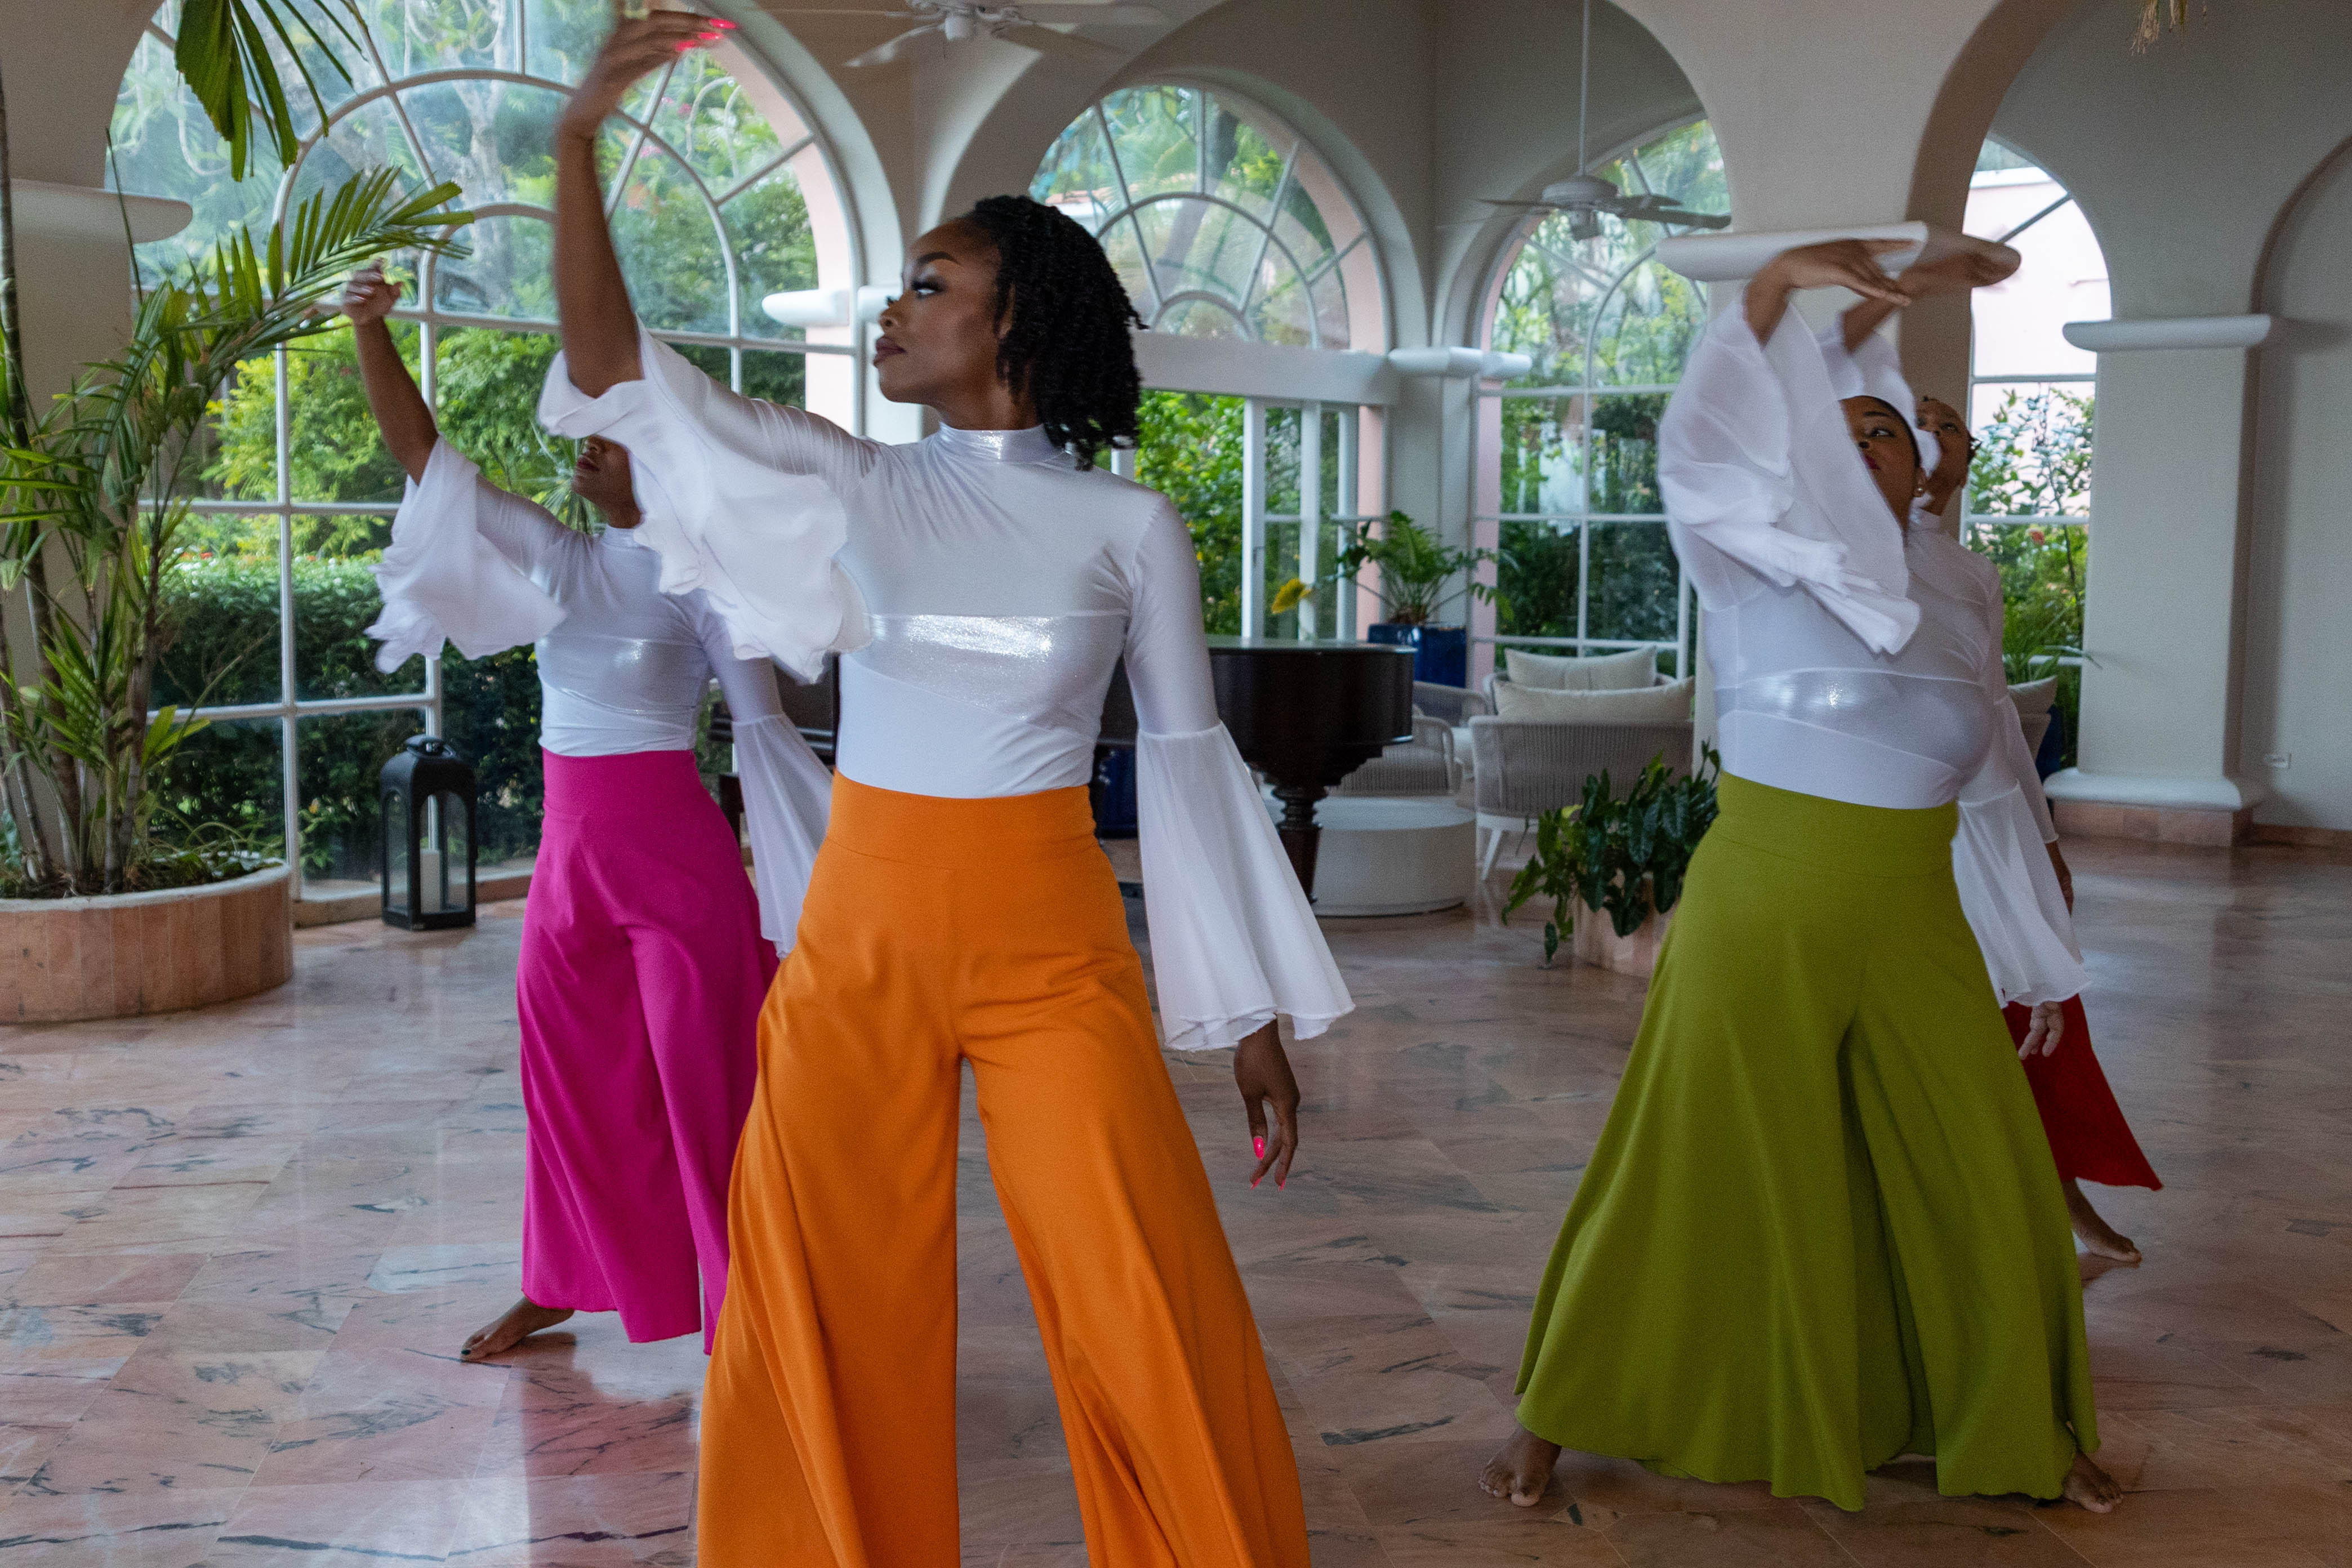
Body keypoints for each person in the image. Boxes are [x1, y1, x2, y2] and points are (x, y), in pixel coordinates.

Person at [536, 15, 1350, 1565]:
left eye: (930, 284)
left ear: (1016, 320)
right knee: (824, 1289)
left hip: (1054, 947)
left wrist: (1247, 1012)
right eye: (899, 284)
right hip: (861, 943)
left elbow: (1188, 768)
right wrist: (577, 142)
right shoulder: (849, 478)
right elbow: (612, 371)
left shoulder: (1130, 527)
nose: (893, 310)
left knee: (1138, 1284)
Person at [1477, 239, 2121, 1515]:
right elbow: (1697, 449)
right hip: (1764, 898)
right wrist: (1773, 295)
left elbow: (1996, 773)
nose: (1867, 439)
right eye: (1842, 428)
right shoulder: (1750, 553)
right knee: (1691, 1157)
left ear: (1925, 465)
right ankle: (1555, 1414)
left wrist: (2039, 946)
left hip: (1915, 906)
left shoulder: (1963, 588)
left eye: (1889, 428)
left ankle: (2022, 1430)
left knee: (1984, 1161)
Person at [341, 262, 832, 1364]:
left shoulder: (703, 585)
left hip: (678, 873)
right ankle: (559, 1282)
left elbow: (762, 738)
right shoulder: (557, 558)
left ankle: (747, 1303)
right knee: (569, 1087)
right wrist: (372, 331)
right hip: (569, 870)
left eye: (613, 436)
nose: (588, 448)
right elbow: (426, 460)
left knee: (704, 1086)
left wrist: (825, 879)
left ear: (663, 462)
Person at [1903, 393, 2161, 1260]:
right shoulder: (1857, 553)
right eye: (1917, 422)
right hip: (1912, 818)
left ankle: (2059, 1187)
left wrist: (2045, 838)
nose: (1938, 437)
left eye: (1951, 426)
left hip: (1994, 818)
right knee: (1952, 1013)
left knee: (2034, 1013)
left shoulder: (1973, 571)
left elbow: (1999, 717)